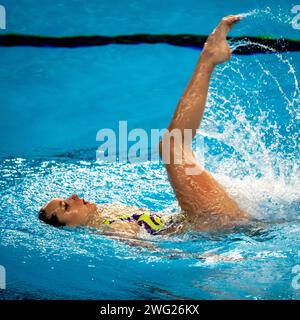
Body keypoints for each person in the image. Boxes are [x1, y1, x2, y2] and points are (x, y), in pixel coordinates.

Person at [39, 15, 248, 239]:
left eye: (65, 199)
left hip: (204, 222)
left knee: (175, 147)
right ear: (71, 227)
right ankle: (208, 59)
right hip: (211, 224)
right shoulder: (112, 229)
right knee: (172, 145)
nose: (73, 196)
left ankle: (209, 59)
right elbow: (156, 252)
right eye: (66, 207)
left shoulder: (103, 213)